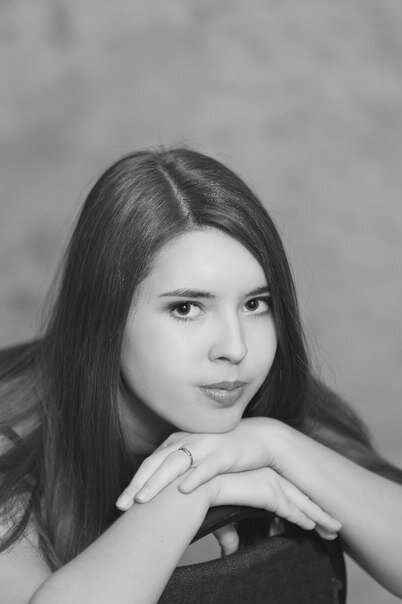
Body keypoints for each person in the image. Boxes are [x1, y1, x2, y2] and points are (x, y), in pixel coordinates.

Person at [0, 147, 401, 603]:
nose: (235, 348)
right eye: (186, 308)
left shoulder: (269, 405)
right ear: (104, 317)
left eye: (255, 304)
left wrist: (276, 443)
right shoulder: (9, 438)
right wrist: (191, 486)